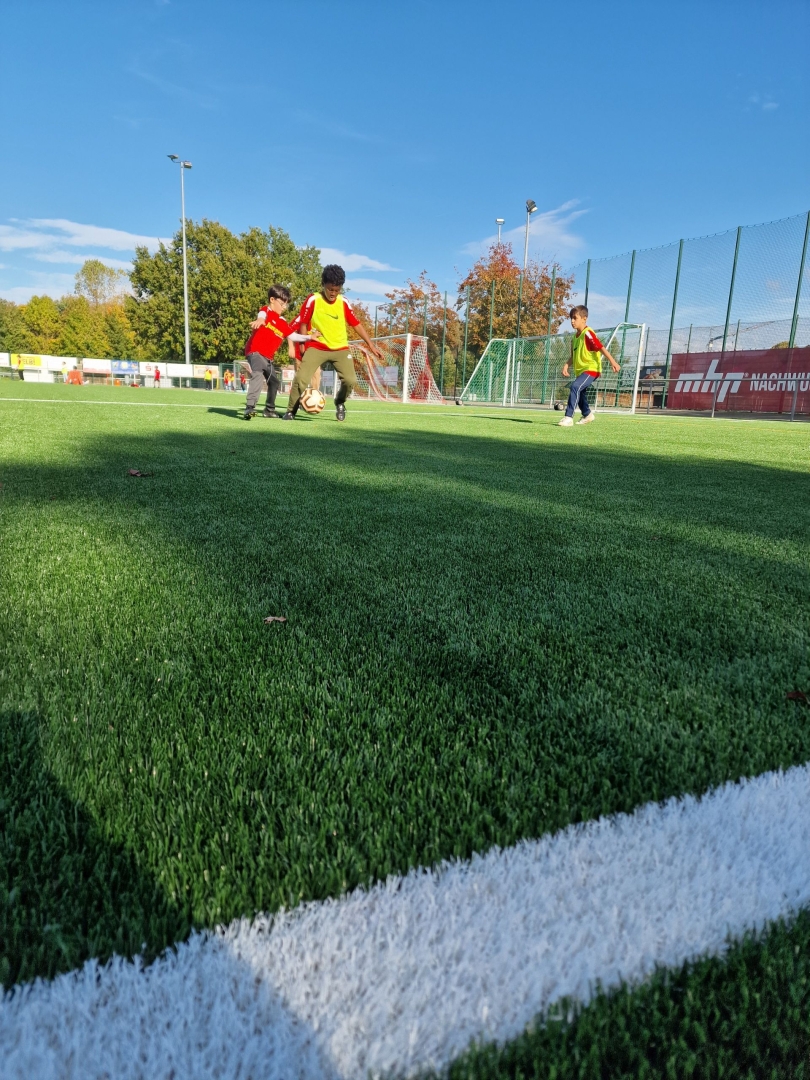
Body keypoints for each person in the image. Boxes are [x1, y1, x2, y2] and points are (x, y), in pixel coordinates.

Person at [283, 264, 381, 422]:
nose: (333, 293)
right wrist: (302, 344)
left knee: (350, 380)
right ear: (323, 284)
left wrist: (370, 344)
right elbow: (303, 322)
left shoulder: (343, 302)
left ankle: (340, 402)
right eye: (330, 289)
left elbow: (356, 324)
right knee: (301, 378)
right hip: (317, 347)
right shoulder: (313, 299)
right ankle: (290, 411)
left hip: (340, 348)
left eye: (337, 290)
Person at [243, 284, 319, 420]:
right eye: (282, 304)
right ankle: (249, 407)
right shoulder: (266, 311)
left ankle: (269, 410)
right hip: (255, 352)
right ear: (272, 300)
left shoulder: (282, 322)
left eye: (286, 305)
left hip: (267, 358)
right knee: (258, 374)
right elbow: (262, 314)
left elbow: (293, 336)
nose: (284, 307)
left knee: (274, 382)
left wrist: (309, 337)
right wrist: (260, 319)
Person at [558, 305, 621, 427]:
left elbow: (600, 347)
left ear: (584, 319)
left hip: (591, 369)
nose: (572, 321)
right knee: (580, 393)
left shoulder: (588, 333)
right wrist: (566, 365)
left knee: (575, 386)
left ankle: (568, 417)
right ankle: (587, 414)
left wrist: (613, 362)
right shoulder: (574, 338)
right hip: (581, 372)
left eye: (575, 318)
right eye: (571, 318)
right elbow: (573, 356)